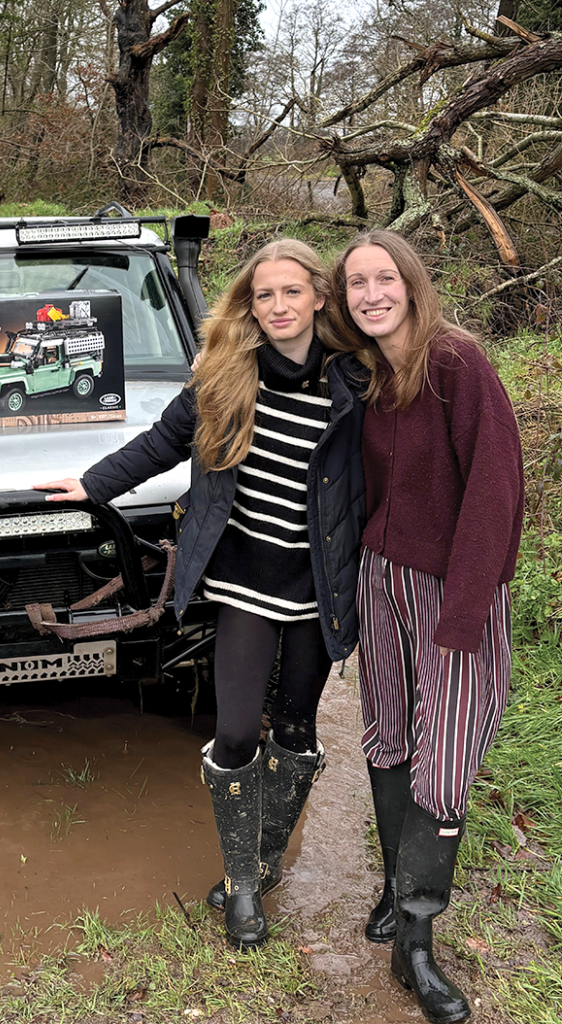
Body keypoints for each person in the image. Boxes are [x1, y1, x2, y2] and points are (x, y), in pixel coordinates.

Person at [35, 240, 367, 949]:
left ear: (319, 297)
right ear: (251, 305)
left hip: (317, 584)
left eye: (291, 292)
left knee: (297, 730)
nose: (278, 306)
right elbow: (161, 443)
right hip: (243, 578)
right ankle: (241, 884)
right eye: (263, 295)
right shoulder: (225, 374)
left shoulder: (353, 380)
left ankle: (265, 861)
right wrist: (93, 484)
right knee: (238, 731)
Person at [330, 230, 524, 1024]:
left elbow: (495, 486)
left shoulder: (456, 363)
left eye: (384, 279)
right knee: (389, 740)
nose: (372, 294)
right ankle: (392, 885)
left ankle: (415, 940)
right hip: (382, 582)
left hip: (452, 588)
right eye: (356, 284)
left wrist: (467, 609)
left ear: (411, 283)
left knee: (442, 765)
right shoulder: (367, 373)